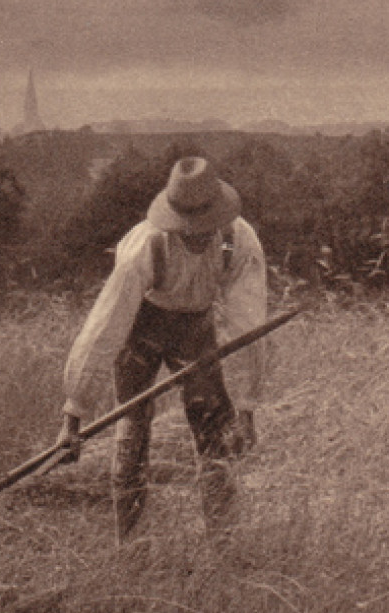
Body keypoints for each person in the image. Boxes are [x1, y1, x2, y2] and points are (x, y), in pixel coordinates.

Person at [56, 157, 267, 541]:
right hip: (143, 326)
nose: (198, 234)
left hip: (196, 329)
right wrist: (74, 413)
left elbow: (247, 324)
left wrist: (248, 406)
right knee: (133, 430)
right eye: (189, 226)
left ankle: (223, 543)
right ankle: (131, 545)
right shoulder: (146, 246)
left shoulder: (239, 241)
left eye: (206, 225)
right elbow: (105, 327)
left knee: (214, 433)